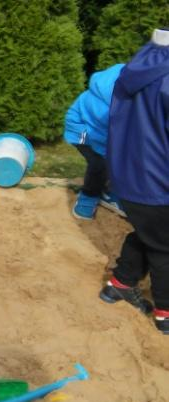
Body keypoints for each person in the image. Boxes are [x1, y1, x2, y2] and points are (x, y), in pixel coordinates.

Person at [102, 28, 169, 334]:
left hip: (130, 176)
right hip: (158, 182)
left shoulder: (142, 61)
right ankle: (165, 313)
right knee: (165, 247)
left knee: (149, 233)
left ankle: (120, 284)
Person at [64, 63, 126, 220]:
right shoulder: (109, 107)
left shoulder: (127, 77)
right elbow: (100, 140)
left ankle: (109, 192)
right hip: (82, 130)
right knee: (100, 163)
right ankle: (87, 199)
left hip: (101, 132)